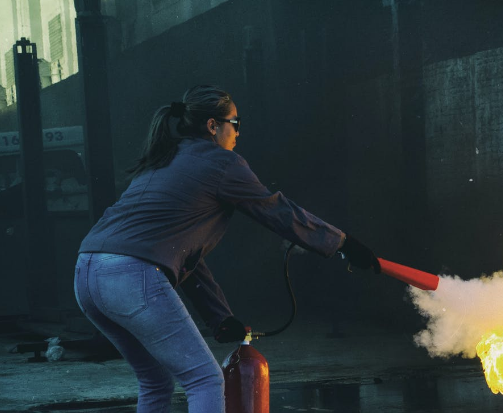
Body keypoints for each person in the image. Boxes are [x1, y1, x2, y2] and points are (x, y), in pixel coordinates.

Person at [73, 85, 380, 413]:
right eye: (235, 123)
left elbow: (182, 254)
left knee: (155, 380)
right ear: (212, 126)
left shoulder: (163, 158)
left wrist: (219, 316)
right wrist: (343, 243)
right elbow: (278, 211)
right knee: (205, 379)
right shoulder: (221, 163)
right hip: (132, 275)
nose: (238, 133)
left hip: (87, 275)